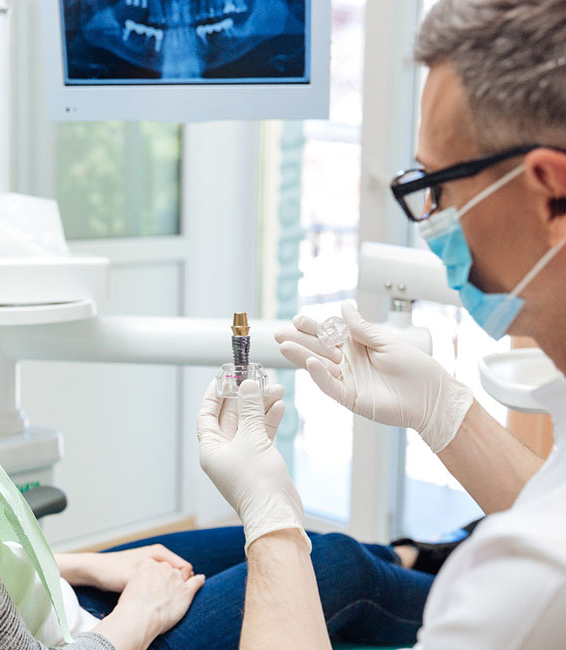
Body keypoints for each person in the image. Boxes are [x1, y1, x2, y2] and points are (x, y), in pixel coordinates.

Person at [0, 59, 442, 650]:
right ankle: (494, 594)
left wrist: (82, 565)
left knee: (266, 544)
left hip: (42, 606)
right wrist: (138, 616)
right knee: (338, 568)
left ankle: (428, 558)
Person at [197, 0, 566, 648]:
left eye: (440, 186)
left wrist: (271, 518)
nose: (431, 221)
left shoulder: (531, 580)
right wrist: (442, 409)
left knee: (339, 563)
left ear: (550, 192)